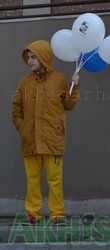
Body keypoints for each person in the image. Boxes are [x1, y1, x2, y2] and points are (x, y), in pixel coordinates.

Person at [12, 40, 80, 226]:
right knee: (32, 179)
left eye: (34, 57)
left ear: (44, 57)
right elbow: (16, 107)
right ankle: (33, 213)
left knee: (54, 179)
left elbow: (69, 105)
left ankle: (57, 214)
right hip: (30, 139)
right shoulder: (24, 81)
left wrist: (76, 86)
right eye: (28, 57)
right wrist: (22, 126)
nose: (30, 61)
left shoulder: (59, 78)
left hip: (53, 138)